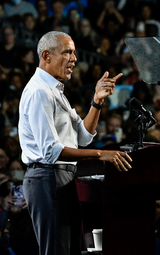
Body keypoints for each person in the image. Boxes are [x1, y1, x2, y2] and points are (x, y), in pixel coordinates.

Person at [18, 31, 132, 255]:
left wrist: (97, 101)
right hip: (48, 177)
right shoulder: (40, 92)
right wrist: (101, 155)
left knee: (69, 250)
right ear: (46, 55)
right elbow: (51, 152)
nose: (74, 59)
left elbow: (83, 136)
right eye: (67, 52)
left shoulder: (56, 91)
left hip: (62, 178)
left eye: (75, 53)